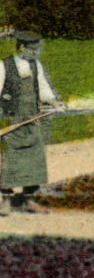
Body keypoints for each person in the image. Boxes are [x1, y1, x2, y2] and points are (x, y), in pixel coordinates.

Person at [2, 32, 63, 214]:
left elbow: (43, 89)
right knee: (9, 161)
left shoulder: (36, 65)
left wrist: (54, 102)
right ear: (22, 48)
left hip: (32, 118)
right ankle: (5, 200)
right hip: (11, 120)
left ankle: (28, 199)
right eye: (34, 50)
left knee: (34, 158)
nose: (37, 53)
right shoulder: (4, 66)